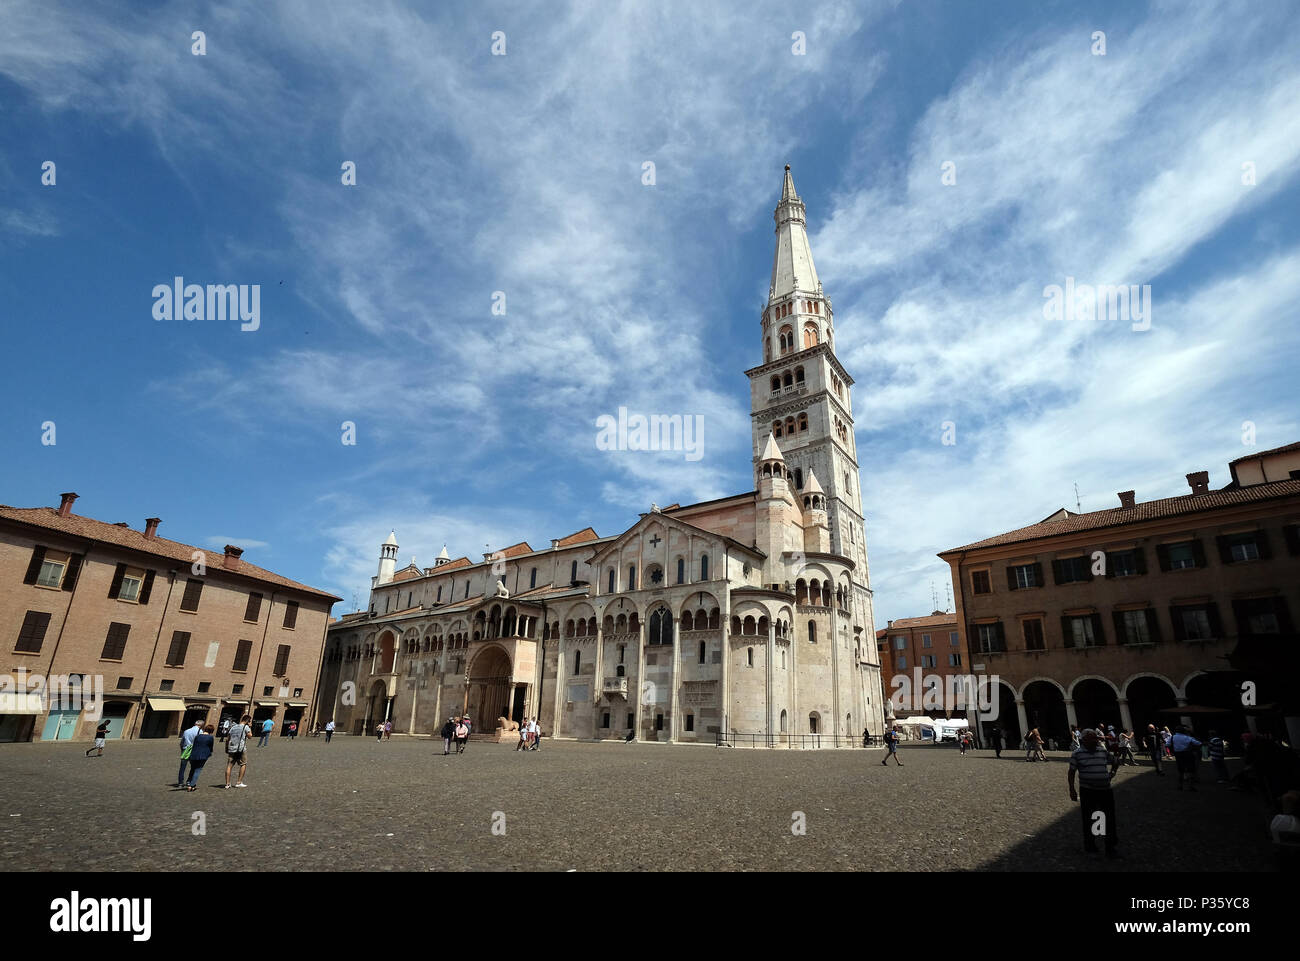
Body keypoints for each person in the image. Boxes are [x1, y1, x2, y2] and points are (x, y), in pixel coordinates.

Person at [1068, 728, 1119, 858]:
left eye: (1095, 738)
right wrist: (1072, 789)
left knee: (1107, 818)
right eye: (1092, 738)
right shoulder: (1077, 754)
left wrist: (1112, 773)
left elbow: (1115, 761)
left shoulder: (1102, 750)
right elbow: (1071, 771)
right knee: (1091, 817)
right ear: (1084, 740)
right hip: (1088, 790)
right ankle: (1091, 846)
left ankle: (1109, 846)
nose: (1095, 741)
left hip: (1105, 790)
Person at [1171, 726, 1203, 791]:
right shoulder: (1188, 737)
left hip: (1179, 755)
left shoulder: (1173, 737)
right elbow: (1199, 744)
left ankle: (1180, 786)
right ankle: (1191, 786)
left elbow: (1168, 744)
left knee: (1181, 772)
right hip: (1188, 754)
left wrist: (1173, 751)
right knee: (1191, 771)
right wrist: (1192, 748)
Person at [224, 714, 252, 788]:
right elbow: (250, 736)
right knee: (243, 764)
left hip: (231, 748)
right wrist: (249, 727)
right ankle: (239, 782)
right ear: (248, 721)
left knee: (229, 766)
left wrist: (226, 748)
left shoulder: (233, 727)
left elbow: (227, 739)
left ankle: (227, 784)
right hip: (241, 749)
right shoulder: (246, 727)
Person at [186, 724, 216, 791]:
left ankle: (189, 782)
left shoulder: (198, 736)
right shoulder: (210, 738)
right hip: (203, 755)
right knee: (198, 770)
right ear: (211, 731)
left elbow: (194, 745)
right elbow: (211, 747)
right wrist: (210, 753)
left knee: (192, 769)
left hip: (193, 755)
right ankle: (192, 785)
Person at [177, 718, 203, 787]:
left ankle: (180, 783)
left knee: (182, 768)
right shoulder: (200, 732)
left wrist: (182, 749)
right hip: (194, 751)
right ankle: (189, 781)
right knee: (193, 767)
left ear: (195, 724)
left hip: (185, 750)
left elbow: (182, 742)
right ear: (201, 725)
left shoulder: (186, 731)